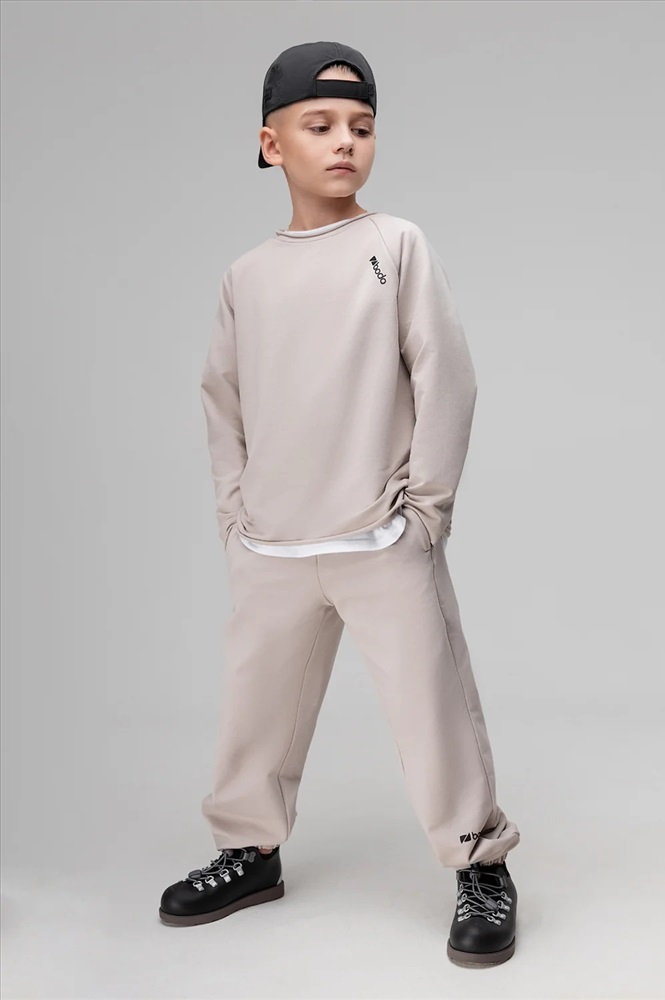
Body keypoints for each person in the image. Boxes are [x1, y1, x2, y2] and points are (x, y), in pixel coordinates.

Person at [158, 40, 521, 969]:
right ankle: (250, 852)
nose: (345, 142)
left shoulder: (395, 246)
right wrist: (235, 518)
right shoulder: (246, 275)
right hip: (273, 544)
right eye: (319, 125)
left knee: (431, 707)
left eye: (361, 126)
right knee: (256, 711)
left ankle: (479, 863)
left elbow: (447, 377)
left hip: (379, 537)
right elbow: (222, 401)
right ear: (271, 145)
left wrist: (426, 512)